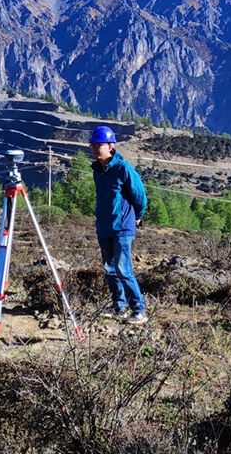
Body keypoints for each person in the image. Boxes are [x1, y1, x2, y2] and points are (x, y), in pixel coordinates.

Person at [89, 125, 148, 324]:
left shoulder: (124, 169)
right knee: (110, 269)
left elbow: (139, 196)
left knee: (123, 269)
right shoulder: (97, 171)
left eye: (99, 145)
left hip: (122, 226)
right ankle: (119, 307)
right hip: (105, 227)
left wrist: (138, 215)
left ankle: (139, 310)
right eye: (93, 145)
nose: (95, 149)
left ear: (110, 146)